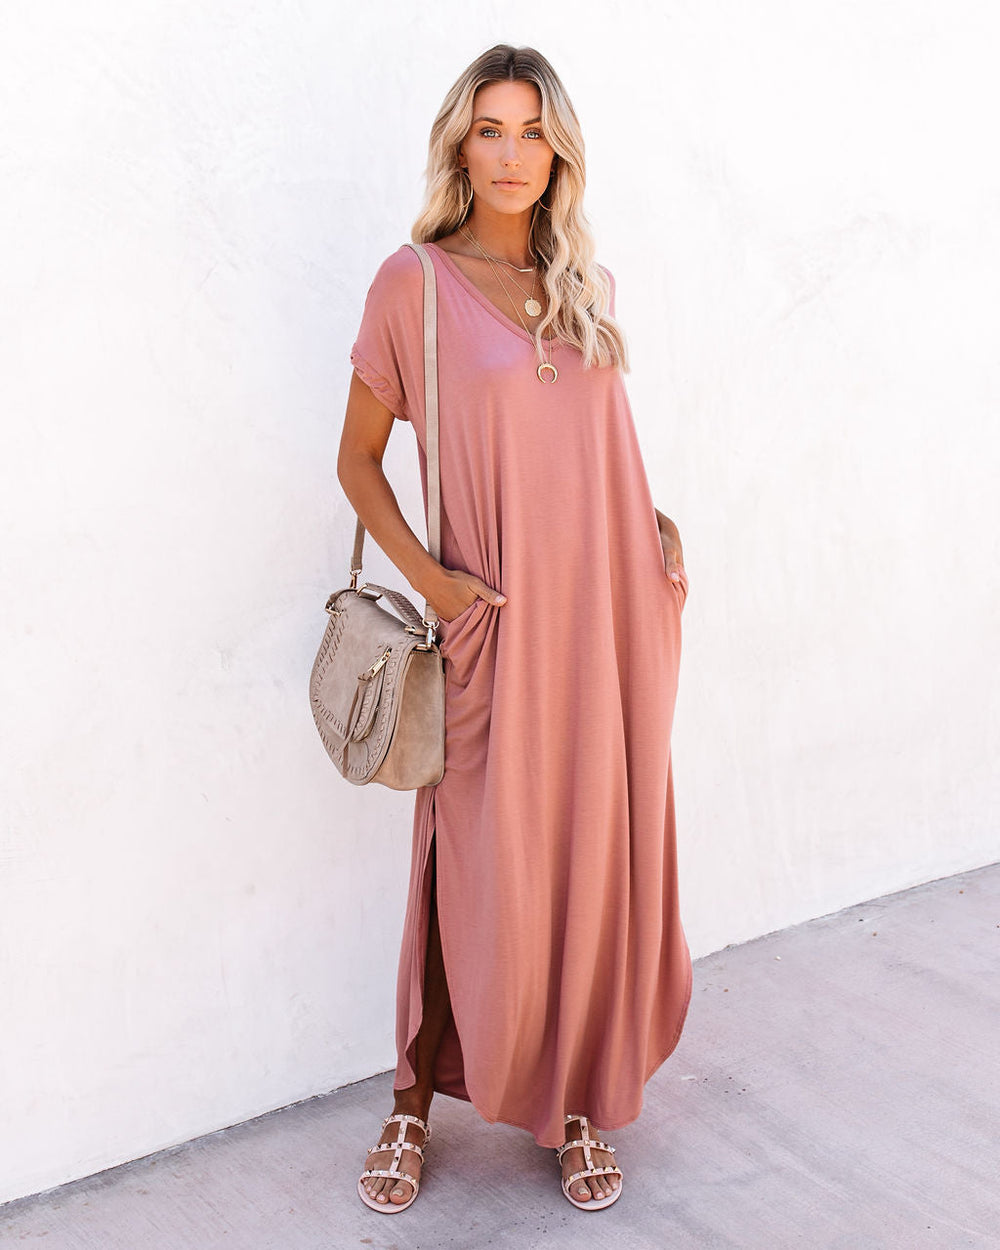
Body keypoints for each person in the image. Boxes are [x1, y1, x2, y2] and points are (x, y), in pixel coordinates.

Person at [337, 43, 690, 1215]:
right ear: (459, 145)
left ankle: (572, 1097)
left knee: (582, 848)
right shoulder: (413, 283)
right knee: (469, 853)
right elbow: (357, 461)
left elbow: (592, 449)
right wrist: (435, 586)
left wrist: (651, 539)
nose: (510, 153)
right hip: (490, 621)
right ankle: (409, 1101)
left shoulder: (580, 284)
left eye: (531, 131)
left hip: (603, 616)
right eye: (489, 129)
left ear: (558, 152)